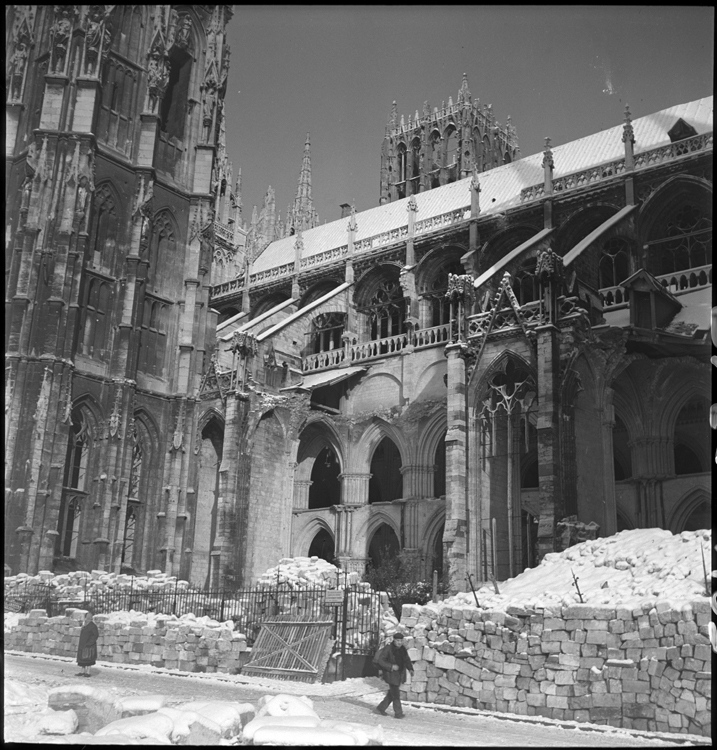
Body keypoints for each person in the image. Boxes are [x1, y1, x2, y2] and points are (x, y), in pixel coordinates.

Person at [373, 631, 414, 719]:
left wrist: (410, 669)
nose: (399, 642)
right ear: (394, 640)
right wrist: (391, 666)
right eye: (398, 640)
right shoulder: (388, 648)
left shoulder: (402, 649)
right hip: (390, 674)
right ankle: (398, 713)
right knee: (395, 694)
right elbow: (381, 660)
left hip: (399, 674)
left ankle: (380, 708)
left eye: (401, 640)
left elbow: (407, 660)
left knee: (392, 693)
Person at [76, 610, 99, 677]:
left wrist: (90, 643)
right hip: (83, 645)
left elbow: (95, 635)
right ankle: (82, 671)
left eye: (85, 617)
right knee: (82, 659)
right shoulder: (85, 625)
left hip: (89, 646)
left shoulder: (92, 626)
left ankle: (88, 672)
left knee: (88, 659)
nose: (85, 618)